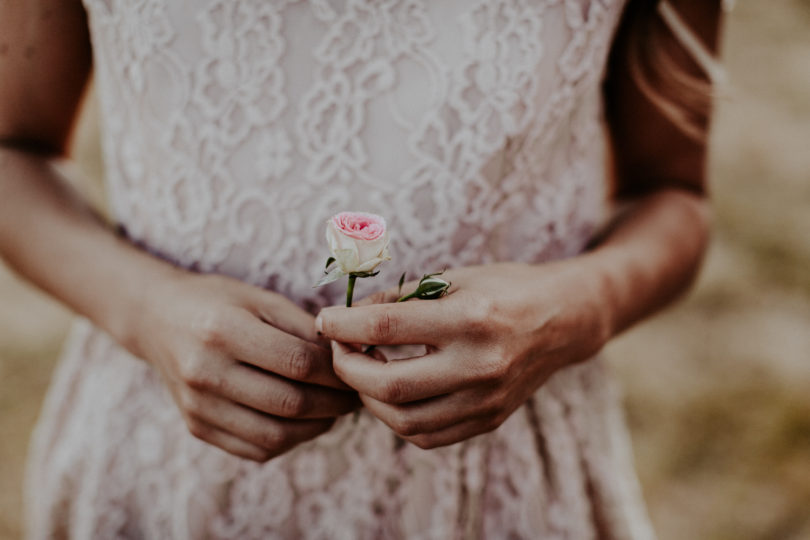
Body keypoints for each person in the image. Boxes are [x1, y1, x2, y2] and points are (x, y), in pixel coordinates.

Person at [0, 0, 723, 538]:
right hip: (172, 465)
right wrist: (145, 308)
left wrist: (577, 308)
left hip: (494, 484)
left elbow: (674, 194)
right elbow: (12, 152)